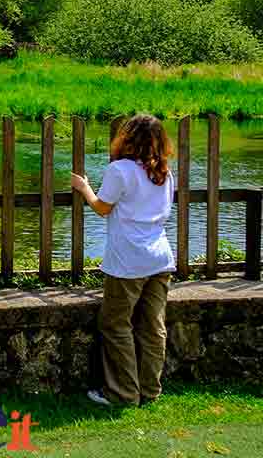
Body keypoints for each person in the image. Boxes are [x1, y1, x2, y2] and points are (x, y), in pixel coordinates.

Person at [71, 114, 176, 407]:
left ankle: (123, 393)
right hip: (160, 259)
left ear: (127, 138)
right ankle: (149, 390)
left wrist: (84, 188)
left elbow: (102, 208)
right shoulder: (165, 173)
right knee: (153, 327)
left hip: (129, 260)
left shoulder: (120, 170)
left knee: (116, 325)